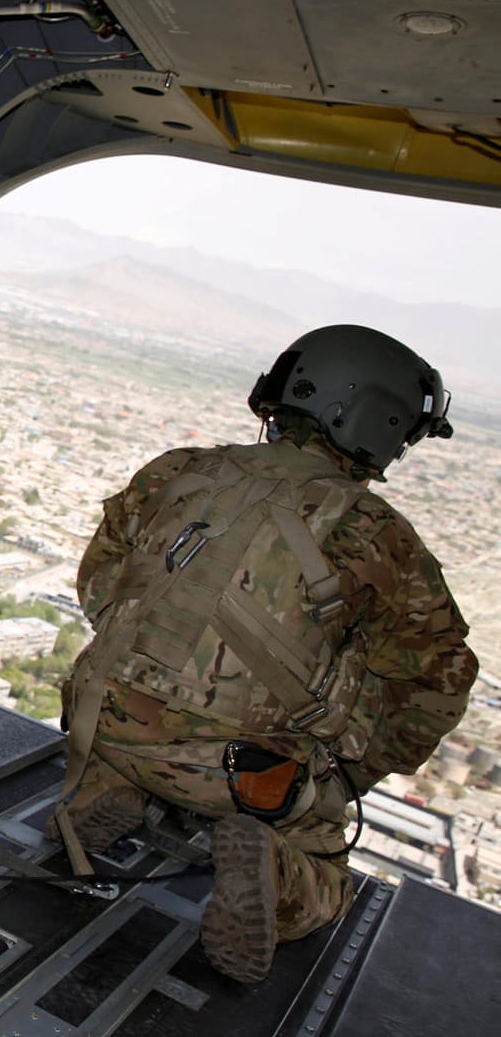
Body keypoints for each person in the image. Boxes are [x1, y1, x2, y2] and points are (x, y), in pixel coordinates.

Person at [54, 324, 479, 984]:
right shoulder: (377, 535)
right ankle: (281, 868)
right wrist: (342, 778)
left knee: (143, 708)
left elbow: (100, 588)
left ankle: (108, 786)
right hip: (244, 780)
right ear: (377, 420)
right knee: (326, 859)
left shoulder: (179, 471)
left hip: (97, 722)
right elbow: (439, 686)